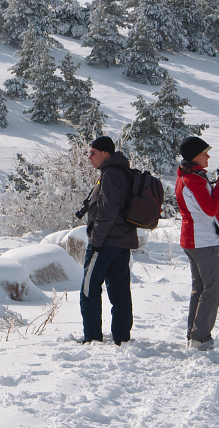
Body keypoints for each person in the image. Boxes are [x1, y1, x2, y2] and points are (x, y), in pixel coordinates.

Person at [79, 136, 138, 344]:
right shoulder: (122, 171)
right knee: (120, 290)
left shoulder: (110, 174)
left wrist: (96, 241)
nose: (89, 157)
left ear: (106, 154)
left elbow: (107, 211)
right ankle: (122, 338)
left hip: (105, 242)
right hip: (122, 241)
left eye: (92, 153)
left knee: (89, 288)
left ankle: (92, 337)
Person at [175, 136, 219, 351]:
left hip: (193, 238)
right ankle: (200, 338)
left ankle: (194, 333)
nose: (208, 156)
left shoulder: (186, 176)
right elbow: (210, 209)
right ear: (195, 155)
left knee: (200, 287)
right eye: (205, 152)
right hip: (203, 240)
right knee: (214, 288)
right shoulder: (194, 179)